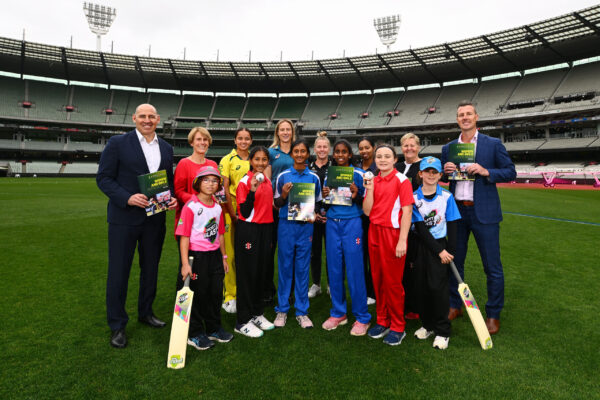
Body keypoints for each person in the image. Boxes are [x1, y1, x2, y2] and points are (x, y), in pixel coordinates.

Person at [97, 103, 177, 348]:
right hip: (124, 219)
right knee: (119, 272)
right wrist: (127, 197)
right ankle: (117, 325)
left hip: (155, 219)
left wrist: (171, 197)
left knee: (150, 269)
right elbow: (104, 178)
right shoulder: (117, 143)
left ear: (158, 119)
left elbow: (167, 182)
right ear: (134, 118)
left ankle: (146, 312)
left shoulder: (166, 147)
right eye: (142, 116)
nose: (147, 120)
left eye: (151, 116)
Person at [441, 101, 516, 335]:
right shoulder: (449, 147)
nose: (465, 117)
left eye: (469, 114)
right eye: (461, 114)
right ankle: (456, 305)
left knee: (492, 267)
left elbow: (510, 172)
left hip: (484, 213)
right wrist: (446, 172)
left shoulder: (492, 144)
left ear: (476, 117)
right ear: (457, 119)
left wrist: (486, 171)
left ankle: (493, 314)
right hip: (457, 213)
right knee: (456, 264)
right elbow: (445, 179)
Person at [362, 144, 414, 346]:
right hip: (374, 231)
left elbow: (407, 212)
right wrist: (370, 189)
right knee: (378, 279)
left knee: (393, 282)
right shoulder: (372, 180)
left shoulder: (402, 180)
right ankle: (382, 320)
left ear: (395, 159)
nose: (382, 160)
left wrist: (402, 240)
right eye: (379, 157)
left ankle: (398, 326)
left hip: (392, 234)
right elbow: (367, 211)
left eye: (387, 156)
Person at [177, 166, 233, 350]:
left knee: (215, 293)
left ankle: (213, 328)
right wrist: (185, 264)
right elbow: (184, 236)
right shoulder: (191, 206)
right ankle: (194, 333)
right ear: (198, 183)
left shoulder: (217, 208)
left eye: (214, 180)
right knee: (198, 295)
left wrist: (224, 257)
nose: (211, 184)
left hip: (215, 256)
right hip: (196, 257)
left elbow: (221, 234)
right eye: (206, 180)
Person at [321, 139, 371, 336]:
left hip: (352, 224)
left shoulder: (358, 174)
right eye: (337, 152)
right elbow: (327, 204)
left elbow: (367, 203)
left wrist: (357, 194)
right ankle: (338, 313)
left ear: (350, 155)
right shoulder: (329, 175)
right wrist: (325, 195)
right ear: (334, 155)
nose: (340, 155)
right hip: (333, 223)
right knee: (334, 269)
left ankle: (362, 317)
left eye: (344, 152)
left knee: (355, 269)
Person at [411, 157, 461, 350]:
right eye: (427, 171)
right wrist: (440, 251)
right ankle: (428, 325)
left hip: (441, 247)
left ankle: (442, 331)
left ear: (440, 175)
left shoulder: (447, 197)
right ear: (420, 174)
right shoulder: (414, 197)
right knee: (421, 287)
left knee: (438, 289)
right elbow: (421, 229)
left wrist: (449, 252)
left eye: (435, 172)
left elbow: (454, 225)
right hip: (421, 246)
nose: (431, 175)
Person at [272, 139, 322, 329]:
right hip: (286, 225)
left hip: (305, 227)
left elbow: (318, 202)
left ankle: (302, 311)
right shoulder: (283, 176)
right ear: (291, 154)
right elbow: (277, 204)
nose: (300, 154)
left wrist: (314, 212)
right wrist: (284, 194)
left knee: (302, 268)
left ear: (307, 154)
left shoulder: (314, 177)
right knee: (285, 267)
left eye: (303, 151)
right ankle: (282, 309)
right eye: (296, 151)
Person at [234, 147, 275, 337]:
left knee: (261, 272)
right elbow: (243, 211)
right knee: (247, 274)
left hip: (266, 230)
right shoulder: (245, 181)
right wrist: (251, 191)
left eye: (264, 159)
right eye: (257, 159)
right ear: (251, 160)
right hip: (249, 230)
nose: (260, 163)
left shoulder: (267, 180)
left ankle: (257, 313)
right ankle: (242, 320)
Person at [173, 127, 218, 290]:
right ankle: (183, 312)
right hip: (189, 225)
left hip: (208, 225)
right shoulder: (184, 163)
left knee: (206, 270)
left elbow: (216, 191)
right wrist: (197, 201)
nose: (202, 143)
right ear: (192, 142)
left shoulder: (212, 164)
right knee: (187, 268)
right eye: (199, 139)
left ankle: (201, 308)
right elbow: (178, 191)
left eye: (205, 140)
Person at [218, 128, 252, 313]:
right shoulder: (227, 159)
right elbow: (223, 189)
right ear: (235, 140)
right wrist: (232, 213)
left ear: (251, 141)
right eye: (240, 138)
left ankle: (246, 291)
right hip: (231, 211)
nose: (243, 141)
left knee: (247, 253)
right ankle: (230, 295)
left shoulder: (255, 158)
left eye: (247, 138)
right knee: (229, 254)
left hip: (251, 212)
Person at [264, 119, 296, 304]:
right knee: (269, 251)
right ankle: (268, 290)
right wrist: (272, 203)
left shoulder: (298, 150)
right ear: (277, 132)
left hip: (294, 208)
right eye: (282, 129)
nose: (285, 132)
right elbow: (268, 182)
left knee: (289, 251)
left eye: (288, 129)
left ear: (292, 132)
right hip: (274, 207)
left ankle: (289, 290)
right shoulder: (270, 152)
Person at [394, 133, 423, 320]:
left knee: (415, 265)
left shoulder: (424, 165)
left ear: (418, 147)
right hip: (396, 222)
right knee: (401, 266)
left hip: (417, 222)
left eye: (412, 145)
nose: (409, 148)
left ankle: (416, 305)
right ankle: (402, 302)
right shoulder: (397, 167)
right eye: (405, 145)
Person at [308, 131, 331, 298]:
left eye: (325, 146)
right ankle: (316, 283)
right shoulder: (309, 168)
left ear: (328, 149)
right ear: (314, 149)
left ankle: (331, 284)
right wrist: (314, 213)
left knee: (331, 251)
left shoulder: (335, 167)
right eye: (319, 147)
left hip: (331, 215)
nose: (322, 149)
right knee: (314, 251)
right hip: (313, 216)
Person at [357, 137, 377, 305]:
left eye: (367, 147)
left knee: (373, 255)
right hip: (359, 217)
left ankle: (373, 290)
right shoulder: (356, 169)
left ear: (373, 148)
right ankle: (364, 289)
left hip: (375, 217)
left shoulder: (379, 168)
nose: (364, 151)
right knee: (361, 254)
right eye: (361, 148)